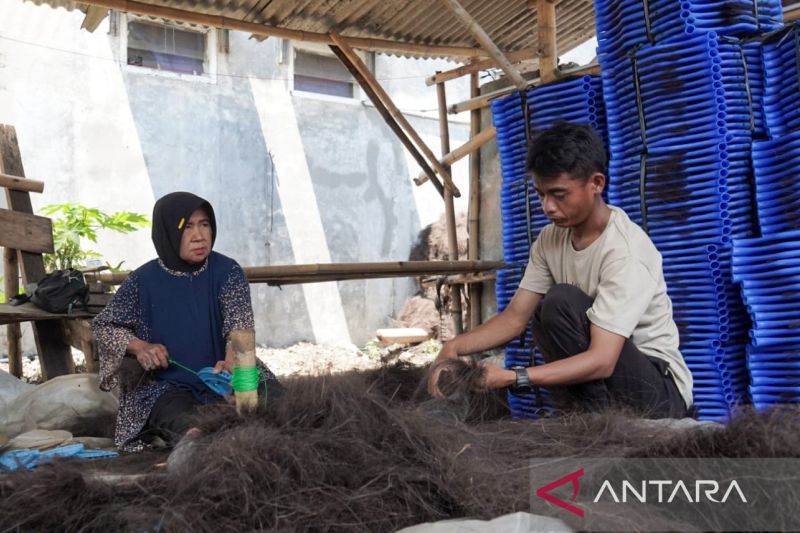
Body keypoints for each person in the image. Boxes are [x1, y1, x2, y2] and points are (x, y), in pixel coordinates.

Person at [429, 122, 693, 418]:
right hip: (605, 384)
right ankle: (588, 419)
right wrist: (454, 347)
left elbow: (603, 360)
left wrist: (514, 377)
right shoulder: (550, 240)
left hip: (658, 393)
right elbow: (515, 318)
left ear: (596, 183)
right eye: (541, 194)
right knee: (543, 313)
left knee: (560, 301)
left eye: (559, 194)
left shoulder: (625, 251)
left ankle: (595, 421)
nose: (548, 207)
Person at [94, 192, 280, 451]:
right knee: (192, 428)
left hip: (227, 373)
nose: (199, 235)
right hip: (167, 386)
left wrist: (235, 369)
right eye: (188, 226)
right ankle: (195, 446)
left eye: (205, 224)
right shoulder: (143, 280)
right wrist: (140, 347)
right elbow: (105, 326)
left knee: (280, 409)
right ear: (168, 231)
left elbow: (240, 326)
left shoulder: (228, 272)